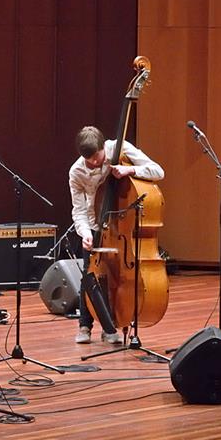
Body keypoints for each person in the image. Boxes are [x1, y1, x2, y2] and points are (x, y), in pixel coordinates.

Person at [68, 126, 164, 344]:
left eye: (98, 157)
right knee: (90, 275)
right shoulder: (76, 172)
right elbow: (79, 210)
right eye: (90, 160)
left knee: (117, 276)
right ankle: (84, 325)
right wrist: (85, 233)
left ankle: (111, 323)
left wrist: (130, 171)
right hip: (95, 225)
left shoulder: (120, 149)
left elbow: (158, 171)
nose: (95, 163)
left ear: (104, 147)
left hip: (120, 227)